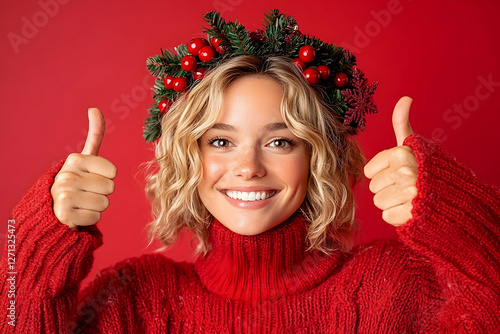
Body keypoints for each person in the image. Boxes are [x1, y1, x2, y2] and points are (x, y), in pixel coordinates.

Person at [1, 10, 499, 334]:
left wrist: (455, 214)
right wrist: (34, 239)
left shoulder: (395, 287)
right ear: (188, 158)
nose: (248, 167)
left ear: (317, 156)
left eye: (280, 141)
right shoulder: (136, 298)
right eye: (220, 141)